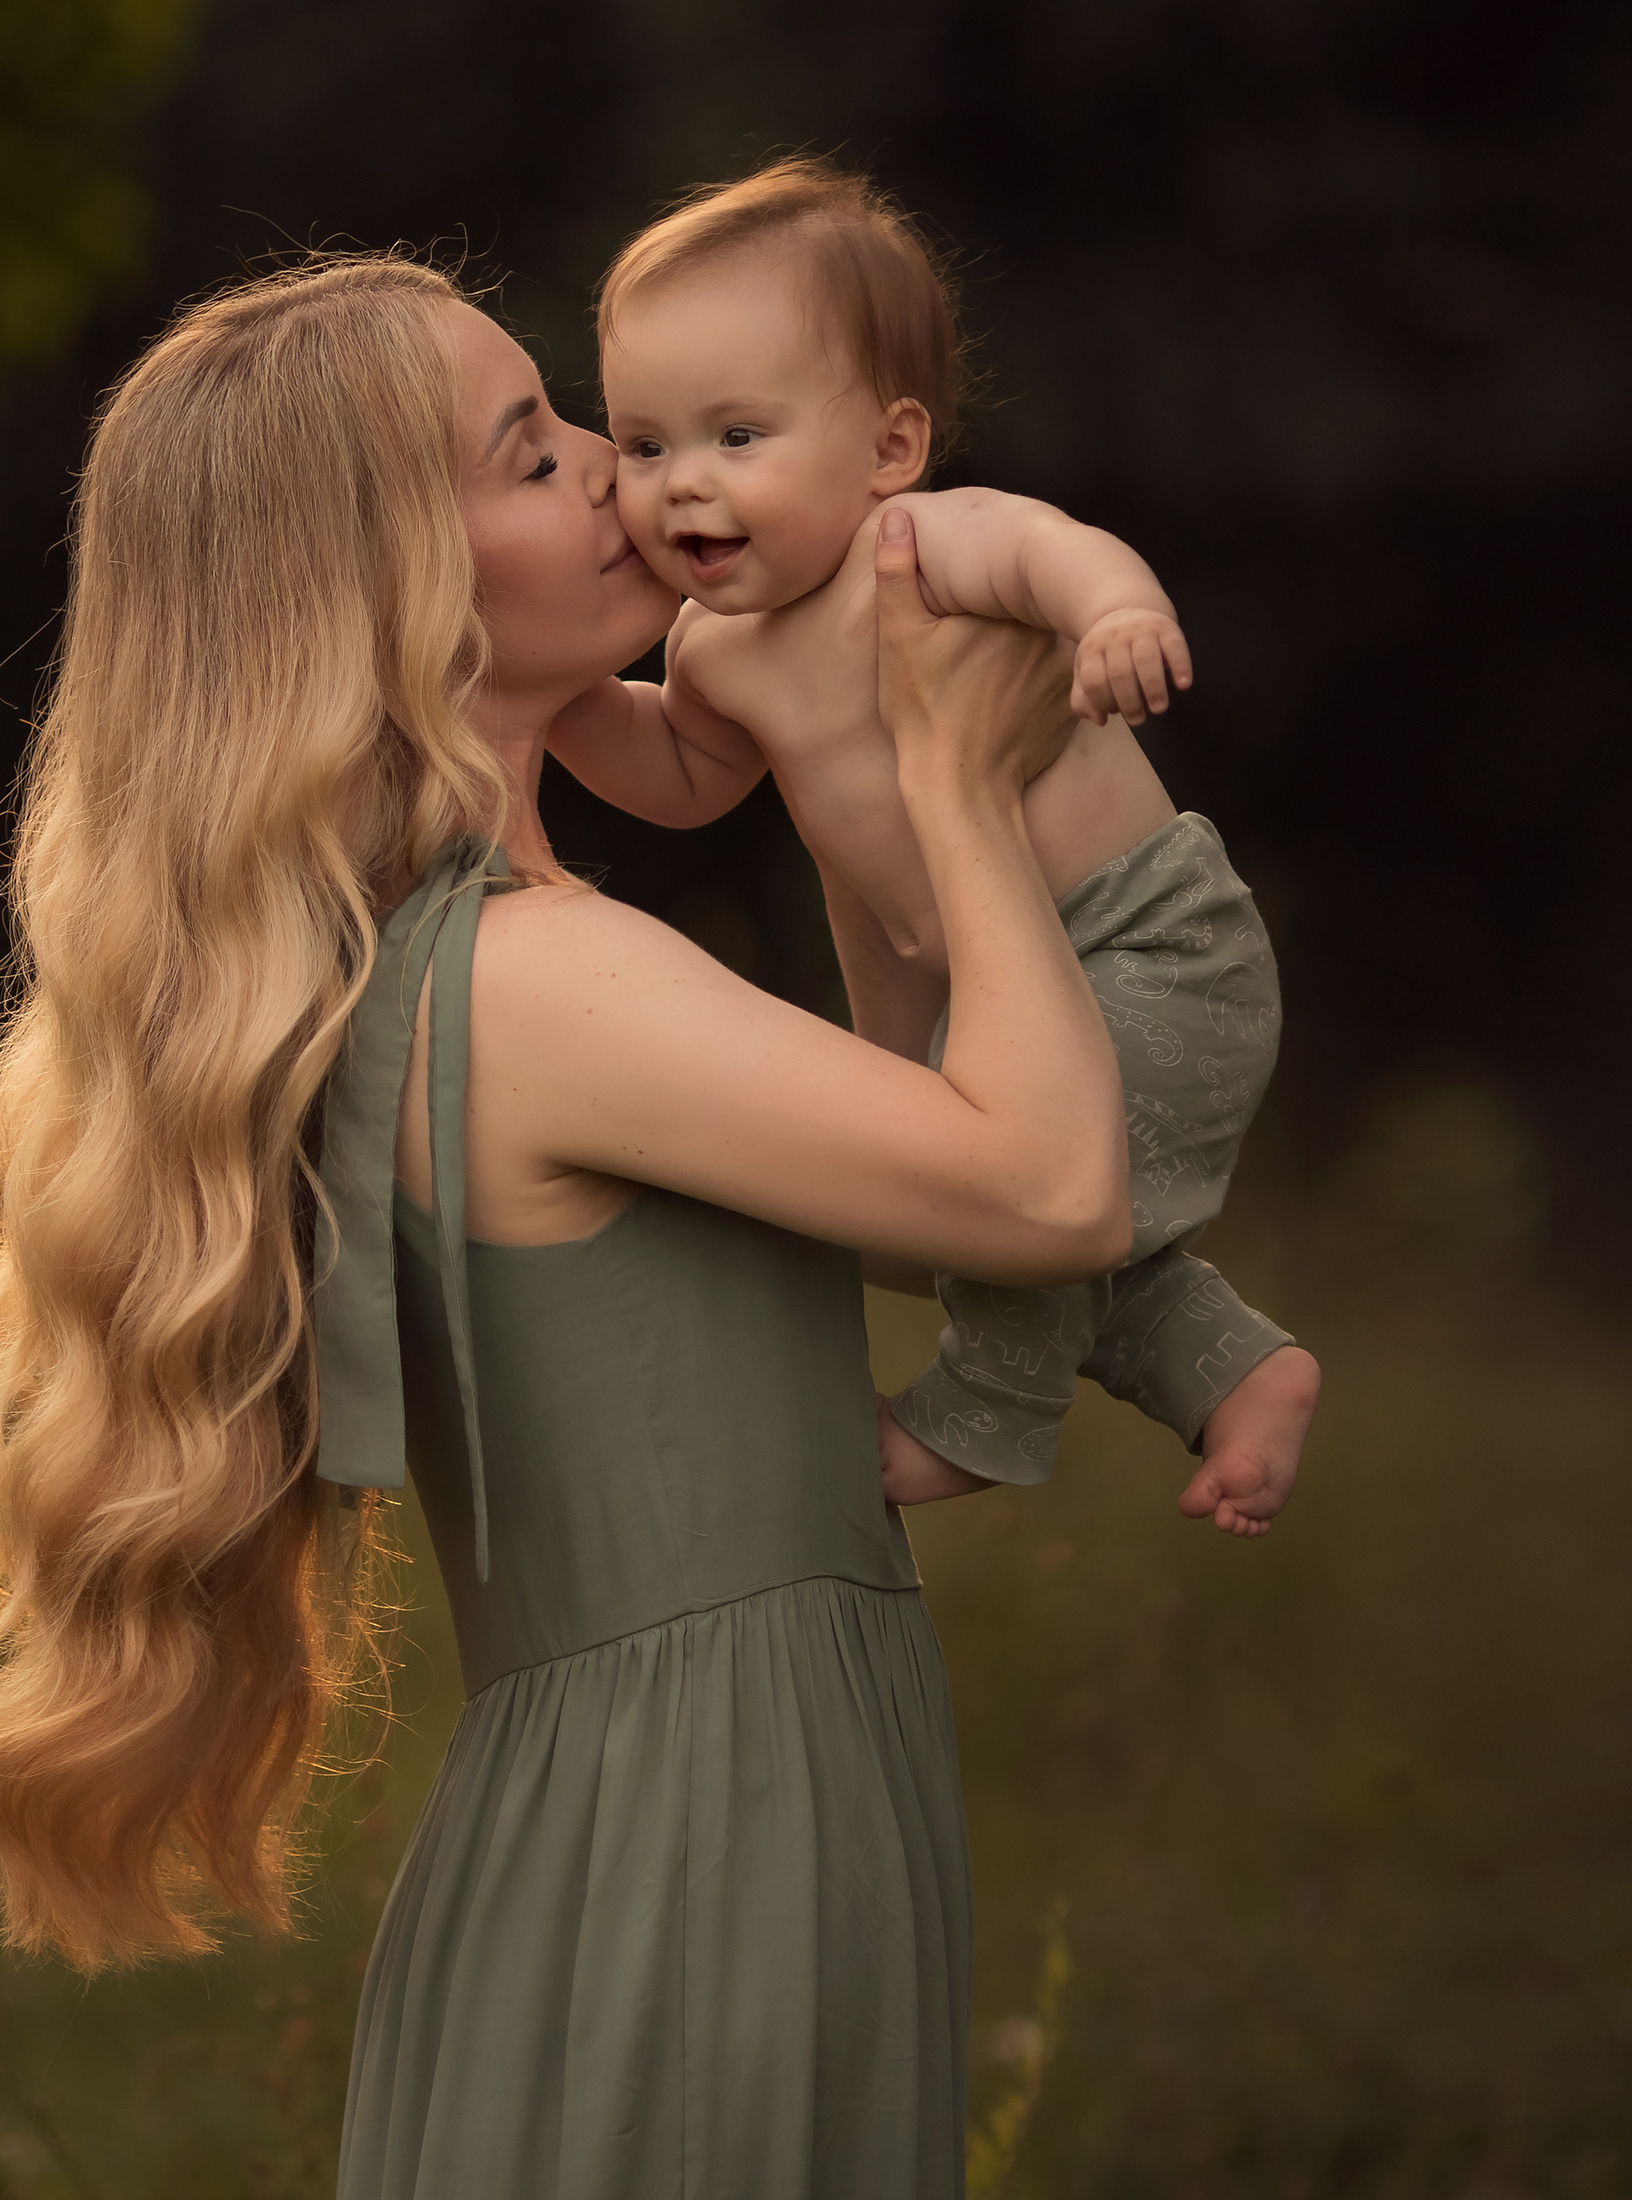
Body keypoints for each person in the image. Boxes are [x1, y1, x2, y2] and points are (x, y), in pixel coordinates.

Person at [0, 254, 1129, 2200]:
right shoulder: (528, 988)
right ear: (392, 588)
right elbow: (1034, 1181)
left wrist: (844, 780)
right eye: (527, 448)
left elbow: (904, 1151)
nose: (616, 470)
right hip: (704, 1838)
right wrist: (937, 735)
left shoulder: (464, 964)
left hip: (672, 1806)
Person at [550, 158, 1322, 1536]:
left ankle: (979, 1414)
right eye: (646, 443)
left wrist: (1114, 616)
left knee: (1014, 1207)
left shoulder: (915, 549)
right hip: (1013, 996)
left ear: (888, 447)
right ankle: (1231, 1364)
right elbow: (674, 774)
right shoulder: (713, 650)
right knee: (1046, 1229)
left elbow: (1049, 548)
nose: (679, 488)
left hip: (1151, 948)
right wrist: (551, 698)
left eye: (739, 436)